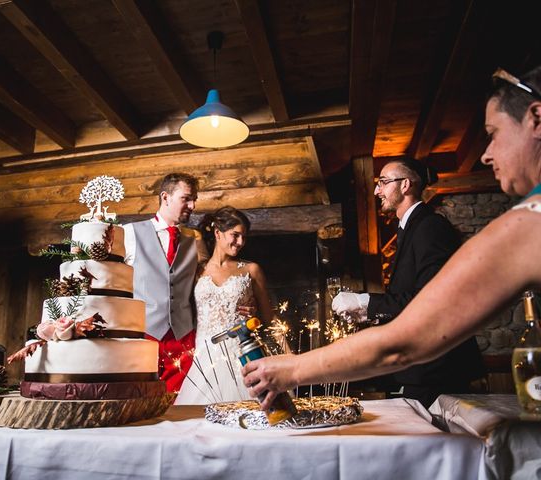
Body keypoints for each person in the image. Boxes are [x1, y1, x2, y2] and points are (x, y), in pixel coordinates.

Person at [242, 65, 541, 411]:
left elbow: (405, 340)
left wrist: (292, 368)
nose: (486, 153)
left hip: (440, 379)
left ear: (536, 117)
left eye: (493, 133)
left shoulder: (521, 226)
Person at [331, 158, 485, 407]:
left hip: (439, 369)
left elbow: (430, 301)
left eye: (383, 182)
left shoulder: (430, 226)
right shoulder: (410, 228)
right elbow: (410, 297)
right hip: (424, 368)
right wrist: (367, 314)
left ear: (405, 185)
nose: (376, 190)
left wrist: (364, 301)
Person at [174, 206, 274, 404]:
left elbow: (269, 319)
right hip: (205, 355)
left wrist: (253, 316)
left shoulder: (251, 270)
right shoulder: (196, 271)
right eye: (235, 235)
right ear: (218, 233)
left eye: (244, 237)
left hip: (241, 354)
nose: (240, 242)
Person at [123, 173, 205, 392]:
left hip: (183, 337)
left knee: (178, 404)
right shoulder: (130, 233)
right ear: (165, 197)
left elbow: (209, 278)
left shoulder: (194, 239)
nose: (193, 205)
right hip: (143, 335)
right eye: (186, 198)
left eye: (194, 199)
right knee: (141, 400)